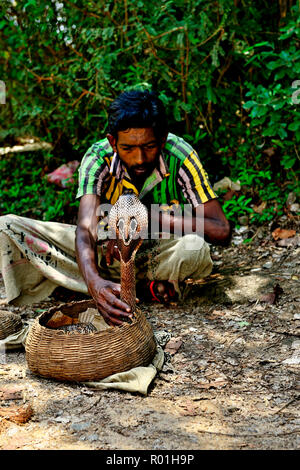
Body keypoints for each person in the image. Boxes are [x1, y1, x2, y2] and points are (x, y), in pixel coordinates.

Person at [0, 89, 230, 326]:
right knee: (7, 227)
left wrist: (147, 217)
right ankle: (116, 289)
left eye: (149, 147)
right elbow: (85, 231)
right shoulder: (98, 157)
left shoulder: (180, 155)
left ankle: (82, 287)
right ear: (113, 142)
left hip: (156, 252)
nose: (139, 159)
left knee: (195, 250)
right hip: (105, 256)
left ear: (162, 139)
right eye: (128, 148)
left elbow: (221, 230)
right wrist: (95, 283)